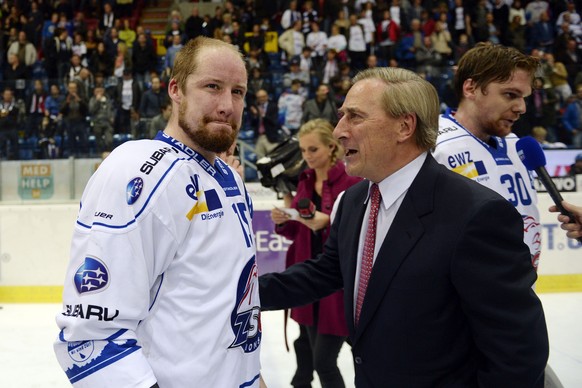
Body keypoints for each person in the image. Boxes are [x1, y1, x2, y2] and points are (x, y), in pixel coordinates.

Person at [259, 67, 549, 387]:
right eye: (342, 116)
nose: (339, 130)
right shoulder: (355, 200)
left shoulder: (477, 214)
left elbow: (518, 350)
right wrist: (245, 295)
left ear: (404, 126)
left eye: (354, 117)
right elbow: (328, 271)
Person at [54, 37, 263, 387]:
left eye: (238, 92)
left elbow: (230, 307)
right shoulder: (137, 171)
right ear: (175, 90)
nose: (227, 105)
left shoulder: (230, 178)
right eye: (212, 86)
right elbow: (91, 337)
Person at [433, 43, 543, 270]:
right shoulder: (433, 145)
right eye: (510, 94)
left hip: (518, 291)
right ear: (471, 88)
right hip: (461, 299)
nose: (521, 107)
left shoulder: (516, 145)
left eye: (524, 97)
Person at [271, 118, 361, 388]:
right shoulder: (305, 180)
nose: (307, 157)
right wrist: (284, 217)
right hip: (308, 277)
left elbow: (361, 230)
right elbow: (295, 231)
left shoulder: (351, 181)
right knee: (307, 352)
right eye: (303, 151)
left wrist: (329, 222)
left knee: (324, 361)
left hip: (338, 282)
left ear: (332, 147)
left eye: (313, 150)